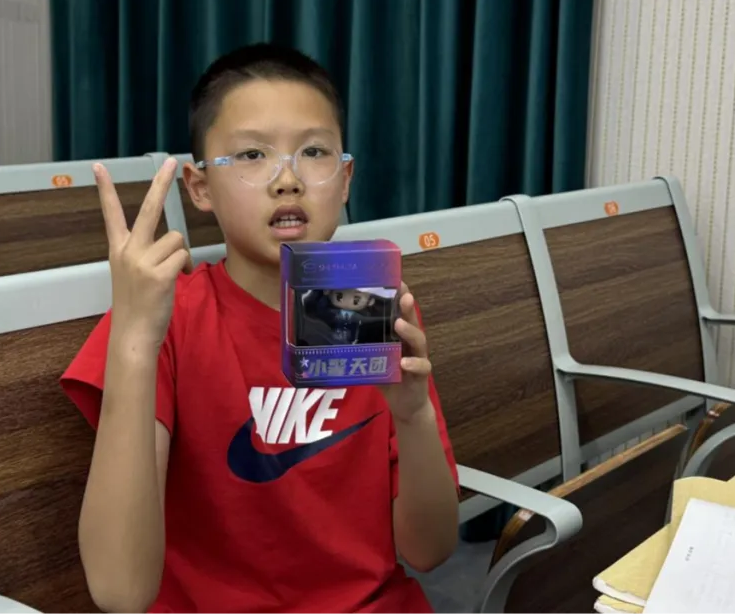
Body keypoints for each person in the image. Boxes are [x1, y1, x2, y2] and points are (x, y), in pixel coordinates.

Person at [60, 43, 460, 614]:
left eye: (314, 152)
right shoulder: (164, 321)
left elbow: (429, 550)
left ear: (345, 178)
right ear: (199, 186)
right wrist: (133, 339)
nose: (287, 179)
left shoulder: (377, 312)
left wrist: (413, 415)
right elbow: (120, 591)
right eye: (252, 154)